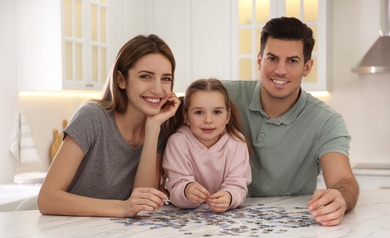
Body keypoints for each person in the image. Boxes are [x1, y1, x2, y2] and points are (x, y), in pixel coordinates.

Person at [222, 17, 359, 226]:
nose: (280, 70)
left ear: (307, 67)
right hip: (221, 223)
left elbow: (344, 181)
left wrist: (340, 197)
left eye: (292, 61)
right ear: (260, 61)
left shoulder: (327, 121)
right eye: (272, 58)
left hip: (290, 228)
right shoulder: (222, 97)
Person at [37, 34, 181, 217]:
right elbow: (47, 199)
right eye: (146, 76)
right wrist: (122, 208)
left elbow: (143, 204)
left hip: (114, 235)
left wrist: (152, 129)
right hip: (68, 233)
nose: (158, 89)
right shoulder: (92, 118)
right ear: (121, 80)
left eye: (166, 79)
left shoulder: (160, 127)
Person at [162, 78, 251, 213]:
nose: (208, 120)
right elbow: (176, 185)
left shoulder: (237, 143)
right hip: (188, 220)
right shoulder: (177, 143)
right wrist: (187, 190)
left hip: (225, 220)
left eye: (217, 112)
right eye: (199, 112)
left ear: (227, 116)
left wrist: (229, 196)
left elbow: (238, 185)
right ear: (186, 116)